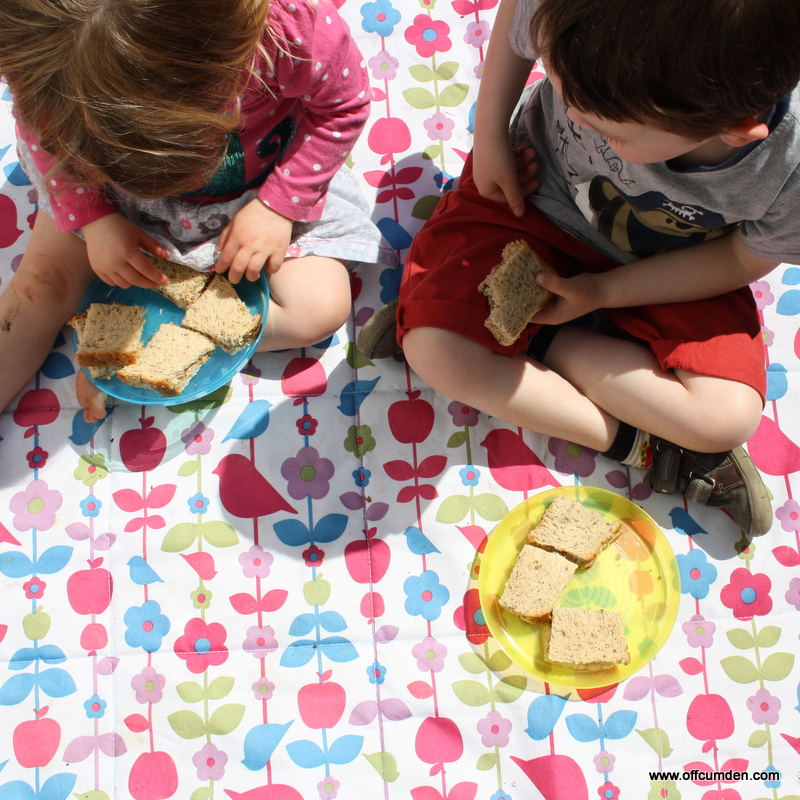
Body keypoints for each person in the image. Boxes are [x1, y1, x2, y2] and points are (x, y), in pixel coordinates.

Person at [359, 0, 800, 538]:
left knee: (725, 418)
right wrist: (492, 136)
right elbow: (517, 21)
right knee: (434, 349)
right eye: (562, 91)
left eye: (611, 132)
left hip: (678, 263)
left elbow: (737, 259)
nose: (570, 118)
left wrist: (604, 291)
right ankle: (640, 444)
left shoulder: (790, 168)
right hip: (534, 194)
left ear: (735, 130)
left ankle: (529, 336)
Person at [0, 0, 394, 422]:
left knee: (318, 308)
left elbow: (343, 107)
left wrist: (278, 206)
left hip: (262, 187)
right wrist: (94, 218)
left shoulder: (289, 30)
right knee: (41, 287)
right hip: (112, 194)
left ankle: (144, 358)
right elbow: (44, 136)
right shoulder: (47, 60)